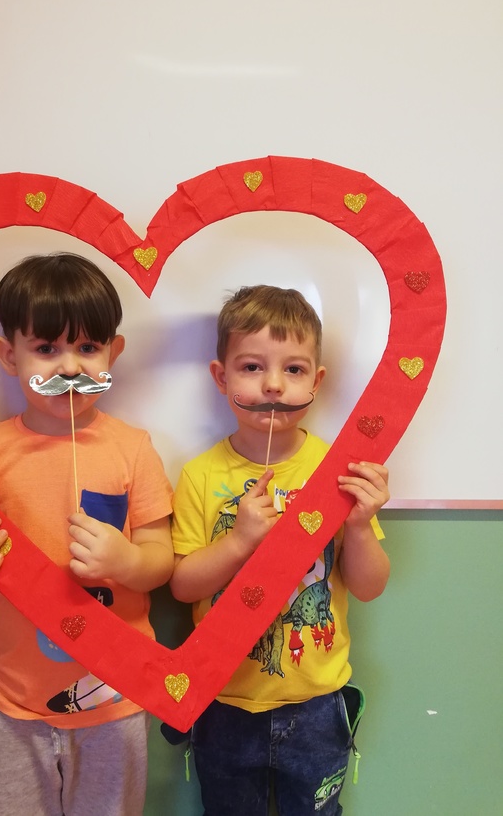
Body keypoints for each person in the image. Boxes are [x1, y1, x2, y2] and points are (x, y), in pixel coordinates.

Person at [0, 253, 174, 816]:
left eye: (88, 347)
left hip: (114, 698)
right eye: (46, 348)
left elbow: (161, 560)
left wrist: (126, 562)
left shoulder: (133, 449)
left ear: (113, 353)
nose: (70, 366)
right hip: (15, 702)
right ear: (8, 356)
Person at [169, 285, 390, 816]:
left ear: (316, 381)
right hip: (223, 702)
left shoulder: (338, 471)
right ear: (221, 377)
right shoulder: (200, 475)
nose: (272, 385)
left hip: (317, 703)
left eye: (293, 370)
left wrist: (360, 525)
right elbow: (183, 585)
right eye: (251, 367)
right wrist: (239, 541)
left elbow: (368, 586)